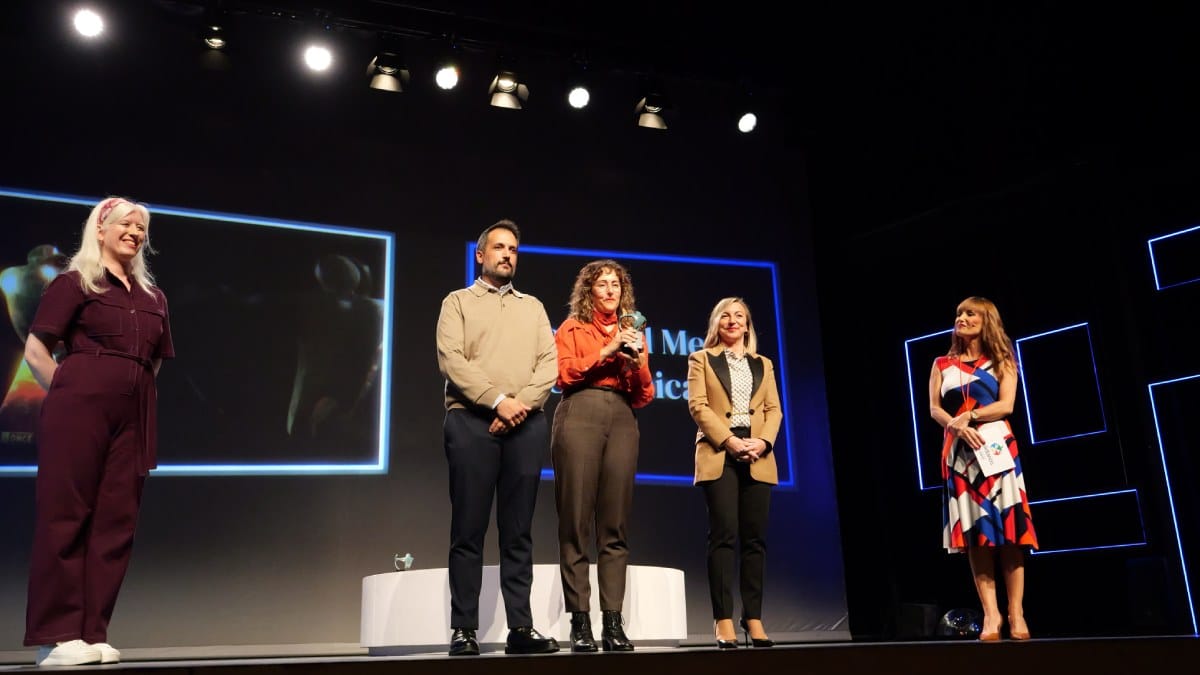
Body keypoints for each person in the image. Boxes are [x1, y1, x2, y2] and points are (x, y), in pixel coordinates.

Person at [23, 197, 174, 666]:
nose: (135, 231)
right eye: (126, 223)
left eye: (142, 227)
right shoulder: (75, 283)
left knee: (115, 521)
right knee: (66, 515)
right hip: (78, 408)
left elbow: (153, 361)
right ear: (101, 229)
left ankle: (91, 632)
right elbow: (35, 350)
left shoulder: (153, 297)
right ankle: (56, 637)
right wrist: (70, 393)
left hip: (133, 414)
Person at [435, 219, 560, 656]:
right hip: (471, 422)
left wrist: (518, 405)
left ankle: (520, 629)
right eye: (499, 247)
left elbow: (549, 364)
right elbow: (452, 360)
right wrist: (497, 400)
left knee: (518, 531)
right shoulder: (457, 303)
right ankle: (464, 629)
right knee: (468, 529)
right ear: (480, 254)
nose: (507, 254)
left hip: (525, 426)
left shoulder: (534, 307)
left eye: (513, 249)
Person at [550, 259, 654, 652]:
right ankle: (580, 622)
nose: (610, 291)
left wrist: (636, 362)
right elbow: (564, 374)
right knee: (576, 520)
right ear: (589, 291)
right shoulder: (572, 328)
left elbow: (644, 395)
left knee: (615, 525)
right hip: (580, 411)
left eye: (615, 285)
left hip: (622, 416)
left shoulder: (636, 331)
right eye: (602, 285)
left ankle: (613, 622)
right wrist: (608, 349)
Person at [928, 296, 1037, 641]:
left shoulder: (1002, 360)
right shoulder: (942, 364)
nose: (962, 317)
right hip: (960, 455)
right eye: (959, 313)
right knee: (977, 538)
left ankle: (1016, 613)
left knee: (1010, 534)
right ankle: (991, 616)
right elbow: (934, 408)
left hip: (998, 452)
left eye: (970, 313)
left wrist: (971, 415)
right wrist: (955, 425)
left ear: (986, 319)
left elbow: (1007, 404)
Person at [686, 297, 782, 649]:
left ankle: (753, 617)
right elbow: (698, 405)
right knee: (724, 535)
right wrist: (729, 441)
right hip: (719, 451)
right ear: (716, 323)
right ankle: (723, 619)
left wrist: (763, 443)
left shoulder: (764, 363)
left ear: (747, 324)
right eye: (725, 316)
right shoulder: (701, 359)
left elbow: (774, 409)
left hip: (758, 453)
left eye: (739, 316)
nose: (732, 321)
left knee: (755, 539)